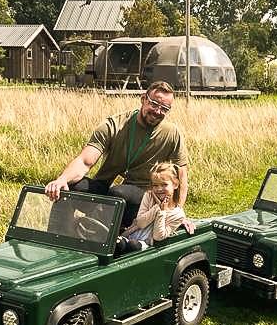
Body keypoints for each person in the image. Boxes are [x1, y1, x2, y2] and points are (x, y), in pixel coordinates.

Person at [45, 81, 189, 229]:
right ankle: (56, 238)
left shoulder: (171, 134)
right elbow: (84, 161)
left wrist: (178, 213)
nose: (158, 111)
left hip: (143, 199)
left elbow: (182, 175)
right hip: (107, 191)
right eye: (154, 104)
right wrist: (62, 179)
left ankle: (92, 234)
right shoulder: (113, 126)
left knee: (119, 193)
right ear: (143, 99)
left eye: (164, 108)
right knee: (71, 186)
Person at [115, 162, 189, 255]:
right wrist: (156, 207)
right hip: (131, 235)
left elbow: (158, 236)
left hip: (147, 244)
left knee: (133, 246)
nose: (159, 189)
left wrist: (161, 212)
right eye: (155, 185)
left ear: (175, 185)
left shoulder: (178, 215)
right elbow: (140, 223)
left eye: (164, 185)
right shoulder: (148, 196)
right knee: (117, 244)